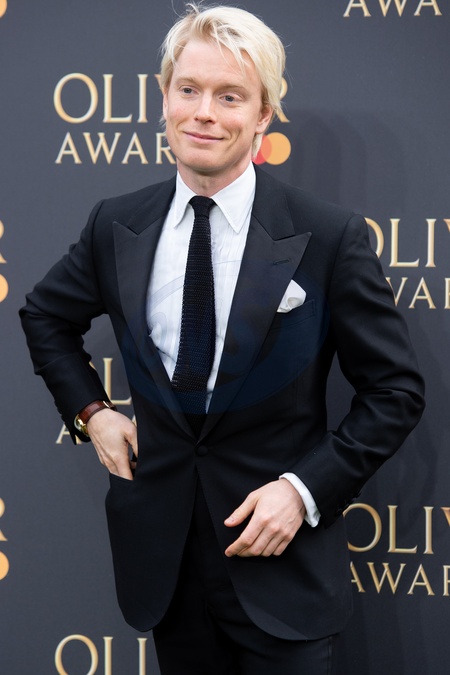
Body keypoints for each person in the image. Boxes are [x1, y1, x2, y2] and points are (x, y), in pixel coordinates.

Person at [20, 4, 425, 674]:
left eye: (230, 96)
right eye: (189, 90)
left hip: (284, 570)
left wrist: (302, 489)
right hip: (167, 567)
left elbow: (395, 391)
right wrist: (93, 412)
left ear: (263, 114)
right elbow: (44, 316)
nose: (204, 113)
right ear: (164, 99)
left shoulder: (328, 236)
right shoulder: (116, 224)